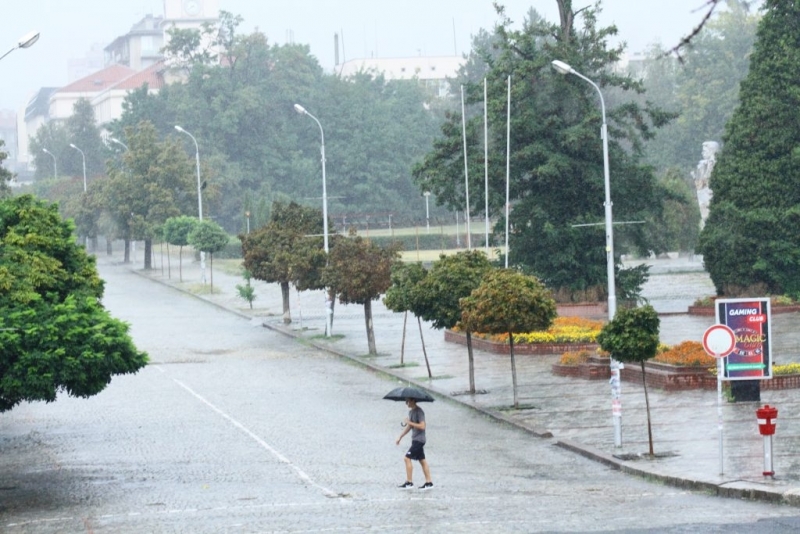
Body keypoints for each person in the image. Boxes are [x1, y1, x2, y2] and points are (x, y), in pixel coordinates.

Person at [396, 397, 433, 490]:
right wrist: (400, 437)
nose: (406, 403)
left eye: (408, 401)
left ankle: (409, 482)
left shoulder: (419, 412)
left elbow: (422, 426)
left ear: (413, 400)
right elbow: (409, 427)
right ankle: (429, 483)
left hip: (419, 440)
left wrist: (410, 422)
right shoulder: (411, 412)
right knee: (422, 460)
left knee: (407, 458)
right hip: (415, 439)